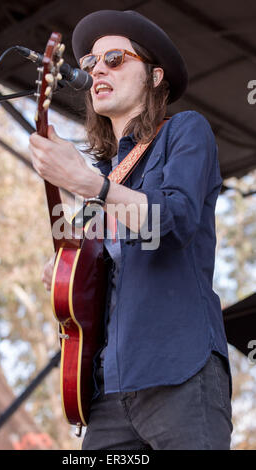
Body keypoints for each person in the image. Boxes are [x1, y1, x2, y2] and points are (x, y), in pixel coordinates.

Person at [29, 10, 233, 450]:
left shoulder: (185, 132)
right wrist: (67, 271)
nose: (97, 68)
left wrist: (89, 184)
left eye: (116, 59)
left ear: (155, 76)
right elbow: (96, 274)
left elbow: (173, 223)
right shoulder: (105, 175)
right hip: (107, 394)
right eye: (89, 63)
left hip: (180, 371)